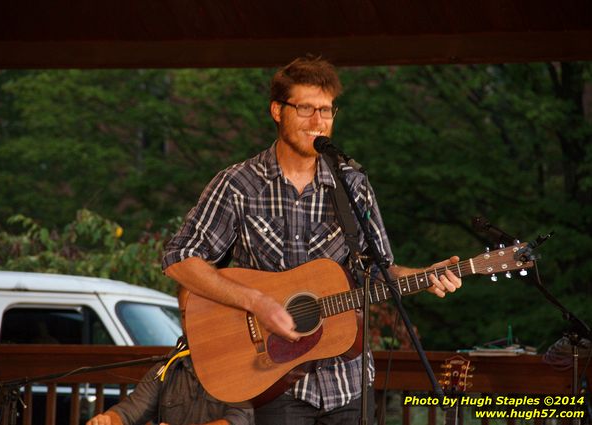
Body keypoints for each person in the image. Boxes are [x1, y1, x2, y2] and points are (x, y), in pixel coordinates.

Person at [162, 56, 462, 425]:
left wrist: (425, 275)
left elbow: (379, 270)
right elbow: (179, 258)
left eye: (326, 110)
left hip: (348, 384)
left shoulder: (352, 185)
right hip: (272, 381)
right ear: (277, 110)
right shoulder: (239, 185)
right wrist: (256, 301)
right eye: (305, 108)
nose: (318, 122)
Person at [85, 339, 254, 425]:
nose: (189, 321)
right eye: (183, 314)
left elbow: (239, 421)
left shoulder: (242, 367)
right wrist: (107, 420)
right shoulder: (170, 365)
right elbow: (129, 411)